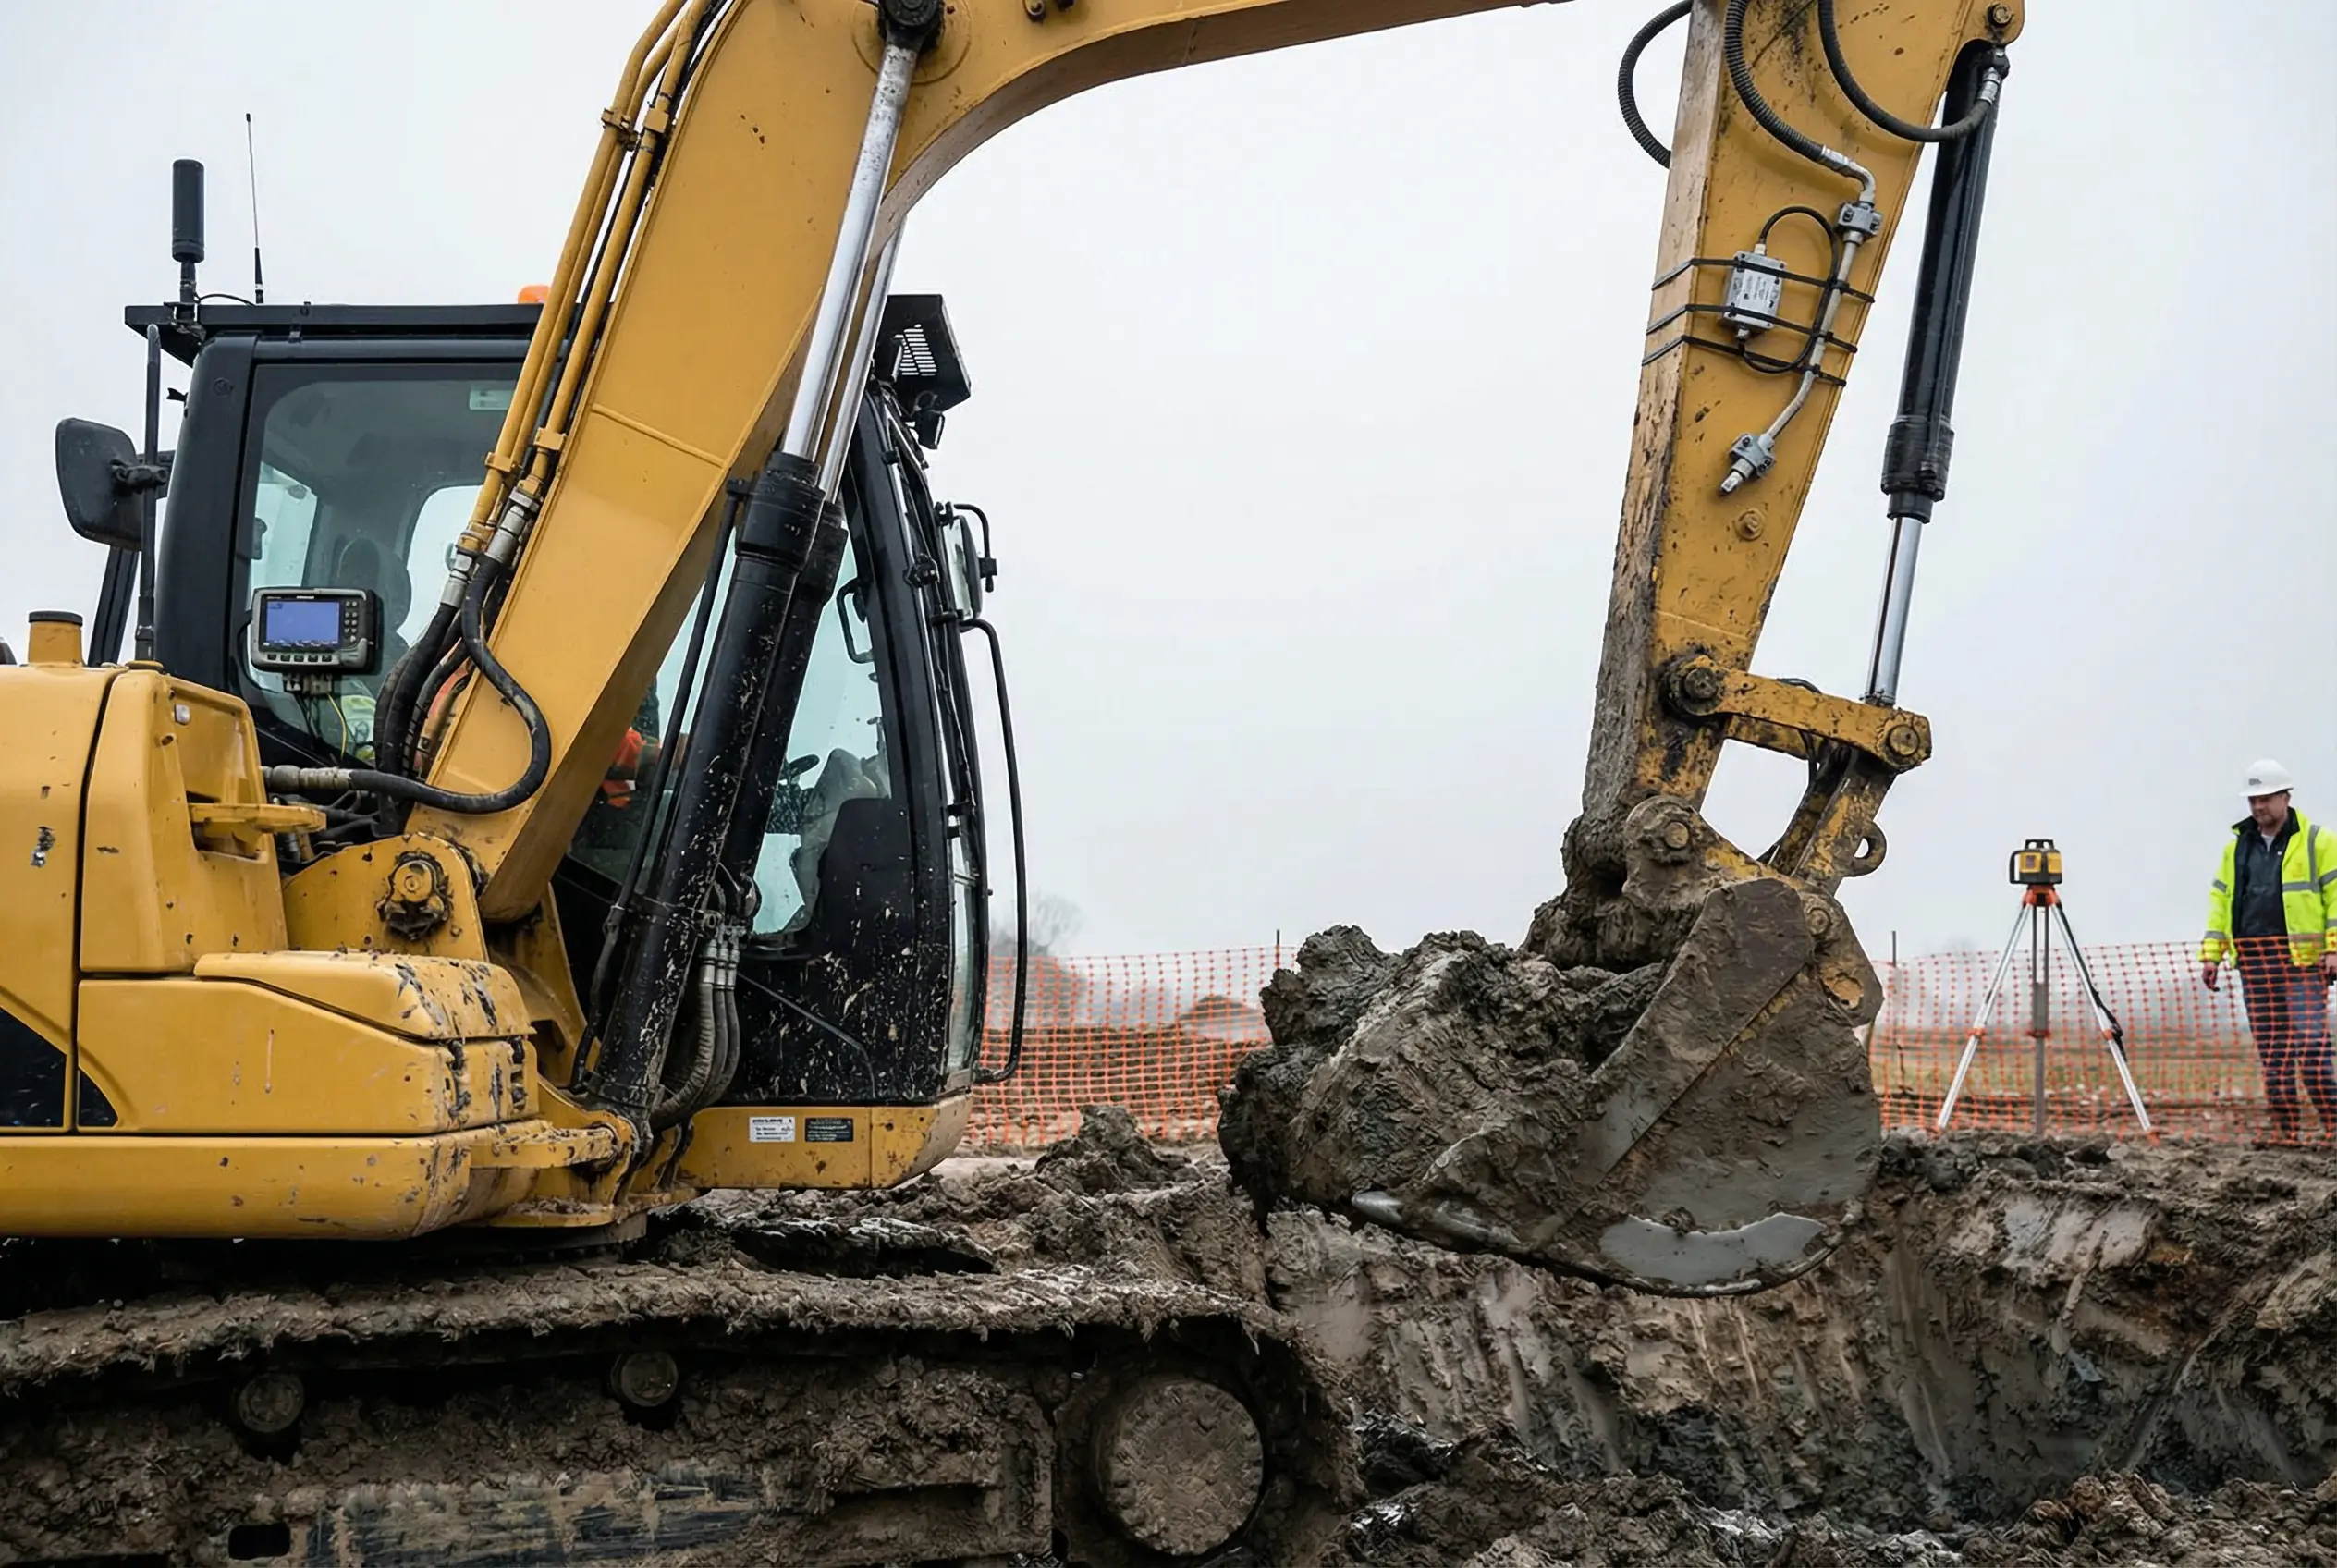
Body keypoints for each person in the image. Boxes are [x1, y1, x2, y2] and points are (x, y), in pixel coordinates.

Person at [2199, 759, 2337, 1144]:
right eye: (2253, 800)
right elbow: (2220, 902)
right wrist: (2212, 953)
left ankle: (2333, 1126)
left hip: (2302, 963)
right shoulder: (2237, 848)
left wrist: (2333, 949)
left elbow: (2336, 898)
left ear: (2285, 797)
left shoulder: (2318, 841)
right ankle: (2287, 1132)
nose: (2258, 807)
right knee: (2274, 1053)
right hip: (2254, 963)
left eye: (2266, 799)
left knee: (2311, 1046)